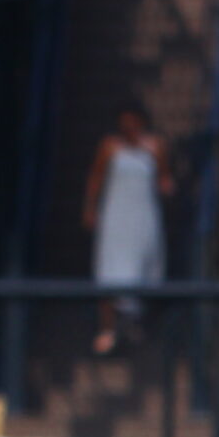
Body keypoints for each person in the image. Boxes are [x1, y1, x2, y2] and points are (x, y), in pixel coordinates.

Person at [83, 105, 171, 356]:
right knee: (110, 268)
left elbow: (164, 180)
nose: (129, 128)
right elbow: (96, 177)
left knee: (142, 265)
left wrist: (168, 186)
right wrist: (90, 208)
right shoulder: (109, 146)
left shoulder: (155, 146)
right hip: (115, 216)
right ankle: (107, 328)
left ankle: (135, 322)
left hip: (142, 216)